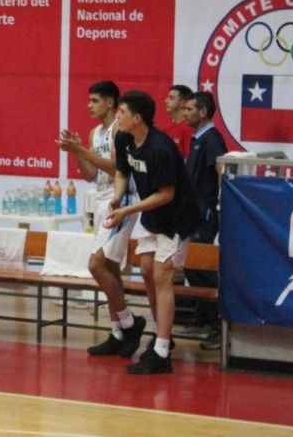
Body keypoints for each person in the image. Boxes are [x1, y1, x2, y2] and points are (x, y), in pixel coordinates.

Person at [107, 91, 202, 375]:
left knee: (162, 276)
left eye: (122, 112)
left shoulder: (160, 148)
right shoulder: (124, 138)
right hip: (152, 216)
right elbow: (122, 172)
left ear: (137, 119)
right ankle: (164, 336)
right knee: (147, 270)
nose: (117, 116)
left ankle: (161, 351)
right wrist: (118, 197)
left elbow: (167, 194)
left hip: (176, 218)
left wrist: (127, 210)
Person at [58, 81, 147, 358]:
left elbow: (118, 169)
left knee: (95, 265)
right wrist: (76, 151)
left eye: (94, 100)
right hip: (101, 199)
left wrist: (82, 150)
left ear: (110, 103)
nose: (89, 105)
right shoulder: (94, 133)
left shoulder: (120, 129)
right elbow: (90, 175)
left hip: (122, 199)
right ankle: (117, 331)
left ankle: (130, 323)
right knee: (109, 268)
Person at [181, 91, 227, 348]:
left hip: (205, 213)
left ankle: (220, 325)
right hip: (193, 212)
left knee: (202, 266)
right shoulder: (198, 138)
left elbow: (222, 171)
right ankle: (202, 317)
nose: (185, 113)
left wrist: (221, 205)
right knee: (191, 264)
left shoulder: (211, 139)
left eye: (189, 109)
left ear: (203, 112)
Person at [161, 84, 193, 158]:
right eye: (167, 97)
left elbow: (190, 160)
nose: (166, 101)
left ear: (183, 103)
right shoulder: (166, 130)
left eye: (171, 98)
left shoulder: (189, 128)